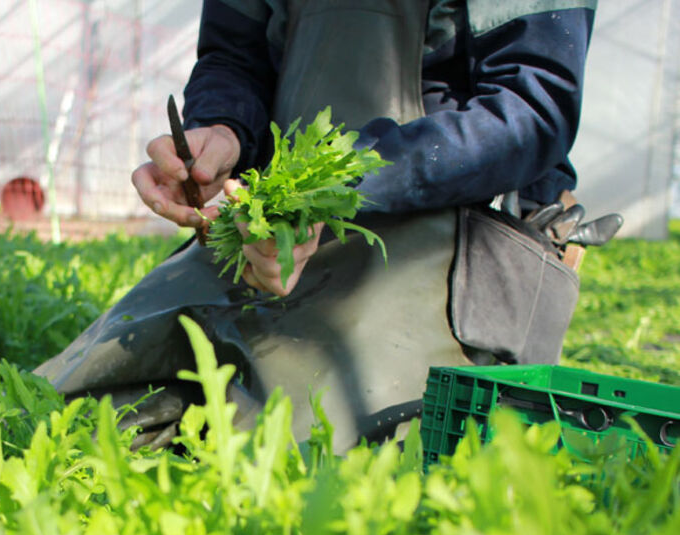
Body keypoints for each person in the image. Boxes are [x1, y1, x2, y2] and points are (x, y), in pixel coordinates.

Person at [36, 1, 615, 452]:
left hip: (454, 233)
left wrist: (325, 185)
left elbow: (529, 111)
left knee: (306, 455)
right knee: (73, 410)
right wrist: (223, 130)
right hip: (275, 232)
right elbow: (233, 57)